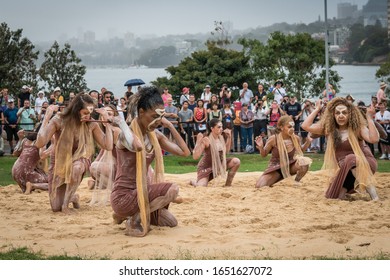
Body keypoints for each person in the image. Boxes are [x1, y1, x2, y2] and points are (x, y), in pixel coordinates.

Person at [110, 86, 191, 237]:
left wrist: (169, 125)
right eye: (154, 116)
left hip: (144, 194)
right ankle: (133, 220)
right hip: (124, 196)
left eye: (159, 117)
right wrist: (121, 124)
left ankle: (124, 215)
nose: (157, 121)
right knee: (172, 189)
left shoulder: (156, 135)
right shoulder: (126, 135)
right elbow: (138, 146)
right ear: (141, 112)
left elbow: (185, 153)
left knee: (171, 222)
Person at [35, 93, 114, 213]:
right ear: (77, 110)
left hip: (80, 158)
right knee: (55, 207)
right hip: (59, 162)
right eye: (85, 113)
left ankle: (66, 205)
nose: (88, 116)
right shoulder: (59, 120)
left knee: (76, 168)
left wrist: (107, 122)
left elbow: (107, 145)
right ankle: (74, 198)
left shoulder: (91, 123)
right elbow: (40, 143)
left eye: (90, 113)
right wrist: (47, 117)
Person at [301, 97, 380, 200]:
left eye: (344, 113)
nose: (341, 115)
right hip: (345, 169)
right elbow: (305, 126)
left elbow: (374, 139)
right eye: (337, 113)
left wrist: (369, 117)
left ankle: (375, 197)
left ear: (350, 114)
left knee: (351, 158)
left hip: (365, 162)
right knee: (333, 196)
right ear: (333, 115)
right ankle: (345, 192)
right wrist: (317, 109)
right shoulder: (329, 129)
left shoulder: (357, 128)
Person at [254, 115, 312, 188]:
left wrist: (308, 142)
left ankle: (296, 182)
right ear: (281, 127)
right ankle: (277, 178)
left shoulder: (296, 138)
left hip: (290, 165)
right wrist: (261, 148)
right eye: (289, 127)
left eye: (293, 127)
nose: (292, 129)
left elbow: (301, 150)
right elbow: (264, 154)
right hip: (276, 167)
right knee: (259, 186)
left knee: (304, 162)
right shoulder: (273, 139)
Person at [190, 118, 240, 187]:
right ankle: (193, 181)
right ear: (212, 128)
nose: (221, 129)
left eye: (222, 127)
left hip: (218, 165)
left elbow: (226, 152)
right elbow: (195, 157)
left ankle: (228, 185)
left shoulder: (221, 137)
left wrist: (229, 137)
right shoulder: (206, 139)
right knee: (201, 186)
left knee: (236, 161)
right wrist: (198, 142)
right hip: (206, 167)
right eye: (219, 127)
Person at [12, 128, 52, 194]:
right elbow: (42, 156)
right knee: (51, 184)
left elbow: (15, 153)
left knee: (28, 189)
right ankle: (33, 185)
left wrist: (20, 139)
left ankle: (29, 187)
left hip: (15, 171)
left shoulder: (24, 141)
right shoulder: (40, 143)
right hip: (26, 172)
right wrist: (53, 146)